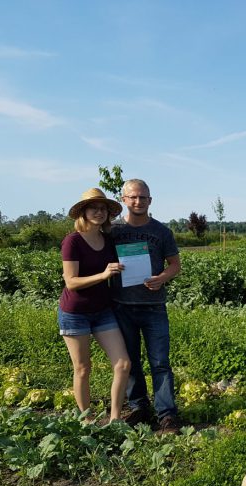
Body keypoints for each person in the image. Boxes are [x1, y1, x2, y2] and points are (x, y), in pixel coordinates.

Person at [110, 179, 182, 434]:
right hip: (122, 306)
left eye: (143, 197)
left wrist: (162, 277)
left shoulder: (162, 232)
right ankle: (140, 407)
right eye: (133, 197)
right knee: (130, 362)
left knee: (160, 362)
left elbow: (175, 265)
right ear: (123, 199)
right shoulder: (113, 232)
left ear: (150, 200)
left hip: (154, 307)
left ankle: (167, 415)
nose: (138, 201)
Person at [59, 188, 130, 421]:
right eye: (94, 208)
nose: (99, 212)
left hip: (102, 311)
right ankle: (86, 421)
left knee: (123, 364)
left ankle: (115, 419)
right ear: (83, 212)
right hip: (75, 312)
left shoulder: (107, 240)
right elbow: (71, 282)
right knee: (82, 368)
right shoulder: (73, 241)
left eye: (103, 209)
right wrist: (102, 275)